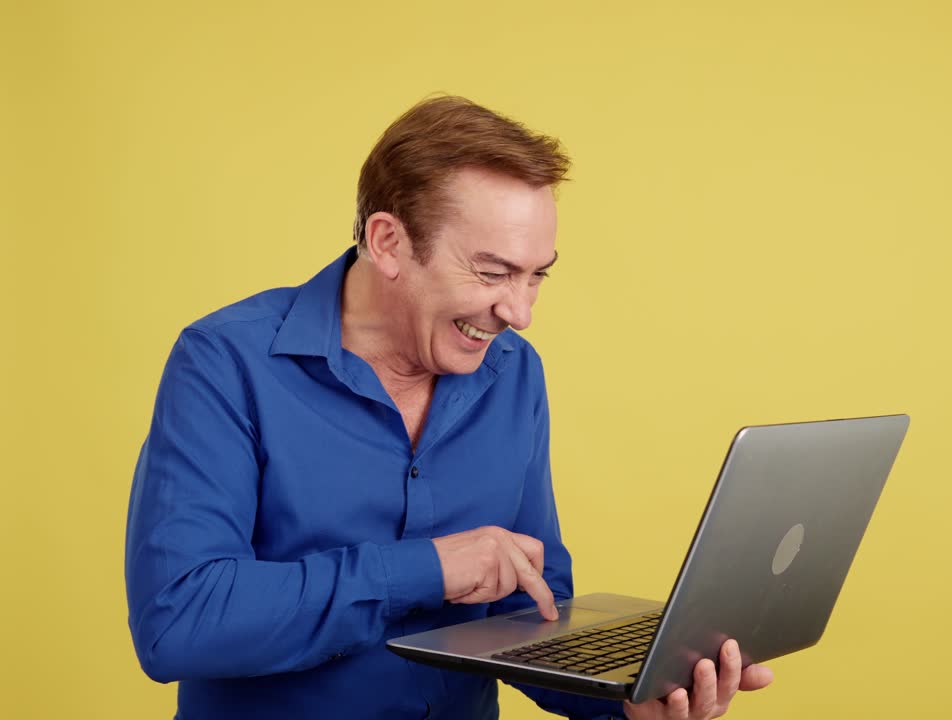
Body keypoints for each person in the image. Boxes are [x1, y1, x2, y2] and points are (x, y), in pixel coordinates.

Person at [124, 96, 773, 720]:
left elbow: (532, 609)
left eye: (537, 275)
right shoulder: (224, 362)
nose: (519, 313)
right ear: (388, 243)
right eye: (492, 274)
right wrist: (427, 570)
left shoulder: (514, 373)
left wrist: (628, 698)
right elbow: (180, 622)